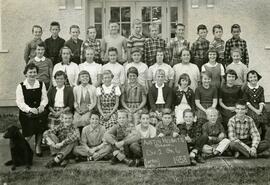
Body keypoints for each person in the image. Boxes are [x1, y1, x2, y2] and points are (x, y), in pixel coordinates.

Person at [16, 63, 48, 157]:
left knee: (40, 129)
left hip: (39, 111)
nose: (32, 74)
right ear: (26, 73)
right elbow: (20, 102)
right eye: (30, 72)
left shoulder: (41, 84)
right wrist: (30, 109)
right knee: (28, 133)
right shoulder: (21, 86)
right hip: (27, 113)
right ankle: (21, 147)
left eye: (34, 72)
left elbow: (44, 98)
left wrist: (42, 106)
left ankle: (38, 146)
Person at [243, 70, 268, 140]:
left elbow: (262, 100)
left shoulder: (260, 88)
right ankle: (253, 138)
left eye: (255, 77)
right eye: (250, 77)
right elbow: (247, 102)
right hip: (250, 108)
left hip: (259, 107)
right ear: (248, 79)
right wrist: (256, 111)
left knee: (264, 125)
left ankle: (263, 138)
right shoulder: (246, 89)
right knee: (254, 122)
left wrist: (260, 109)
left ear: (257, 78)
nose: (253, 79)